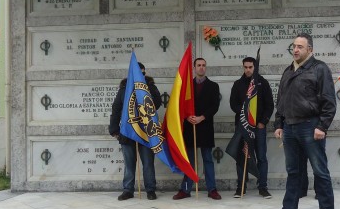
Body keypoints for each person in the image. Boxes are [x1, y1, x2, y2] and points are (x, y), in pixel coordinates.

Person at [269, 32, 337, 209]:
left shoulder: (319, 69)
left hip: (310, 127)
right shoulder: (288, 71)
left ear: (310, 50)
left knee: (320, 171)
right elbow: (281, 101)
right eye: (294, 46)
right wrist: (279, 124)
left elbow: (329, 101)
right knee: (293, 172)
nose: (296, 50)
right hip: (289, 128)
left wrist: (322, 126)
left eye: (300, 47)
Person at [109, 62, 162, 201]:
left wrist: (145, 91)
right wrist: (114, 129)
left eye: (143, 73)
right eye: (138, 73)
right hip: (127, 132)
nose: (141, 75)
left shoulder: (150, 87)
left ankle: (150, 189)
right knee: (129, 163)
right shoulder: (124, 89)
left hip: (145, 132)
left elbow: (157, 103)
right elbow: (116, 109)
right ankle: (128, 189)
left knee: (148, 163)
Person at [172, 58, 222, 200]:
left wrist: (202, 117)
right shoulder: (187, 86)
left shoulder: (213, 86)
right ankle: (186, 189)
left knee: (207, 159)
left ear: (206, 67)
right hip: (190, 127)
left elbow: (215, 106)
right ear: (194, 68)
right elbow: (180, 105)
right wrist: (187, 117)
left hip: (205, 126)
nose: (201, 68)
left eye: (203, 65)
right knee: (190, 161)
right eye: (198, 65)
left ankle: (212, 189)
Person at [229, 57, 275, 199]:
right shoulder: (237, 84)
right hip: (243, 127)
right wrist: (244, 114)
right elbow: (233, 104)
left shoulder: (263, 83)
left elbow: (269, 105)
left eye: (250, 67)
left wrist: (263, 122)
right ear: (243, 67)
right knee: (241, 156)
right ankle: (240, 187)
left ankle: (263, 187)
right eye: (246, 67)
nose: (248, 70)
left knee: (261, 157)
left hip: (259, 127)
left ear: (255, 67)